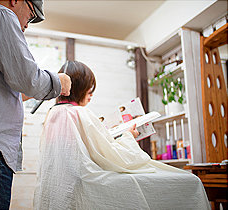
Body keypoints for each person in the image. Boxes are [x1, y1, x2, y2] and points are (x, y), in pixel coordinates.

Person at [34, 61, 210, 210]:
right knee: (190, 181)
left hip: (61, 188)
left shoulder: (53, 113)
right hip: (85, 185)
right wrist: (128, 136)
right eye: (90, 91)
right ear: (80, 89)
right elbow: (115, 157)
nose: (91, 96)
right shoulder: (80, 113)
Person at [0, 0, 71, 209]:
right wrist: (59, 81)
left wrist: (25, 96)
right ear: (15, 0)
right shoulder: (0, 15)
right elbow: (28, 80)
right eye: (30, 15)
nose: (27, 25)